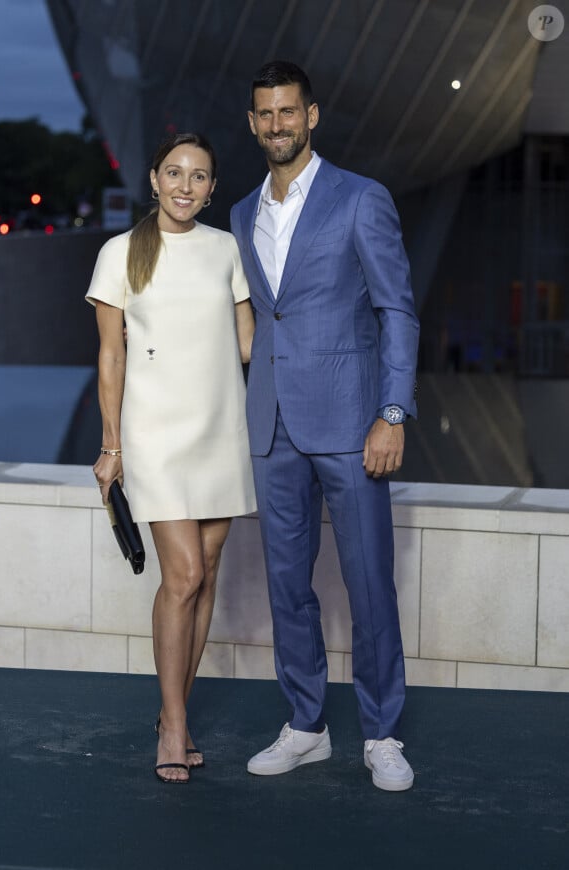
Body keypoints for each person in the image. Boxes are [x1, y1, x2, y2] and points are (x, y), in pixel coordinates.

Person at [230, 62, 420, 791]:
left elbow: (396, 311)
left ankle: (382, 733)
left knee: (370, 583)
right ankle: (305, 724)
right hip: (273, 424)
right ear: (253, 124)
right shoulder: (243, 213)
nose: (277, 124)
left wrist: (391, 412)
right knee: (288, 586)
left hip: (351, 422)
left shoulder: (360, 199)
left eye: (288, 111)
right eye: (264, 114)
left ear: (312, 116)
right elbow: (260, 317)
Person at [87, 132, 257, 784]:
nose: (187, 185)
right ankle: (176, 724)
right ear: (154, 179)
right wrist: (111, 445)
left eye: (200, 176)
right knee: (183, 576)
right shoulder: (120, 253)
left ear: (213, 189)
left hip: (222, 433)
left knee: (207, 573)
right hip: (155, 435)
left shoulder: (225, 251)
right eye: (175, 173)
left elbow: (249, 346)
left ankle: (172, 714)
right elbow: (111, 356)